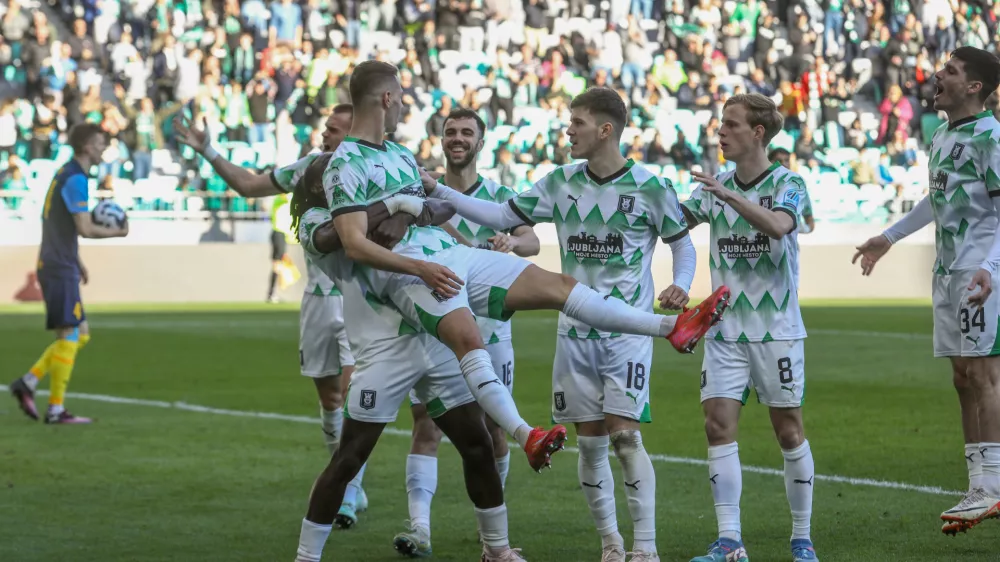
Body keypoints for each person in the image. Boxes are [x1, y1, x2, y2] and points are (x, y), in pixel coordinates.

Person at [299, 60, 729, 562]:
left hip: (446, 267)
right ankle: (311, 555)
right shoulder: (342, 167)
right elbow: (345, 239)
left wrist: (412, 205)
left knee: (547, 308)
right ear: (388, 98)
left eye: (577, 123)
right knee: (358, 449)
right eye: (402, 93)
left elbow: (442, 206)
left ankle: (671, 328)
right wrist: (402, 232)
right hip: (395, 318)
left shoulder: (397, 155)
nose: (407, 100)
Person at [425, 86, 705, 562]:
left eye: (576, 122)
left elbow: (682, 242)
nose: (568, 130)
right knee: (590, 444)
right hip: (574, 331)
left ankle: (646, 548)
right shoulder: (559, 182)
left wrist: (680, 283)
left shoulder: (651, 186)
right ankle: (610, 545)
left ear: (605, 129)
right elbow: (500, 215)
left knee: (624, 435)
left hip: (628, 330)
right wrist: (440, 191)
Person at [173, 105, 369, 528]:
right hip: (317, 300)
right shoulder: (308, 169)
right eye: (325, 128)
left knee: (356, 399)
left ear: (353, 133)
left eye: (333, 130)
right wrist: (208, 151)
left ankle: (348, 492)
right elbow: (248, 185)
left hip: (359, 300)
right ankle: (349, 480)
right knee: (330, 399)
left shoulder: (373, 169)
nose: (324, 135)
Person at [853, 46, 1000, 536]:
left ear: (974, 86)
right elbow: (937, 199)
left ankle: (994, 486)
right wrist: (889, 237)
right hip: (948, 272)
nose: (939, 75)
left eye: (951, 71)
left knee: (983, 374)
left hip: (982, 272)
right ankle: (977, 485)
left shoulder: (990, 136)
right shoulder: (941, 136)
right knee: (962, 377)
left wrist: (991, 268)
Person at [393, 107, 541, 558]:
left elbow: (531, 239)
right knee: (427, 424)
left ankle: (491, 533)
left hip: (493, 330)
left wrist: (512, 243)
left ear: (482, 140)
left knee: (496, 431)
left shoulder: (498, 194)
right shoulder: (420, 189)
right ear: (440, 139)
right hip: (434, 330)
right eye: (450, 132)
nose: (457, 139)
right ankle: (419, 528)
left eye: (466, 133)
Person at [680, 93, 816, 562]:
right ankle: (730, 541)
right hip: (723, 331)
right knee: (717, 425)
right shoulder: (713, 188)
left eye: (731, 125)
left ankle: (801, 539)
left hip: (776, 328)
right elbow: (670, 222)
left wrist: (728, 195)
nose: (721, 132)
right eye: (721, 123)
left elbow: (779, 227)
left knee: (788, 432)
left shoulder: (788, 183)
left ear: (757, 133)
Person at [9, 123, 130, 424]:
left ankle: (29, 382)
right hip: (57, 265)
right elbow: (84, 227)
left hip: (61, 261)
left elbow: (60, 225)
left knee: (80, 335)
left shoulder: (66, 173)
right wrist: (118, 232)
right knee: (70, 335)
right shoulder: (75, 179)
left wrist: (77, 260)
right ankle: (55, 409)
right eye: (101, 143)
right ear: (88, 146)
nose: (104, 148)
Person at [769, 148, 815, 233]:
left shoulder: (797, 184)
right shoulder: (763, 185)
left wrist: (804, 228)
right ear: (770, 163)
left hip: (790, 242)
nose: (784, 164)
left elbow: (808, 213)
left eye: (786, 160)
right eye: (779, 161)